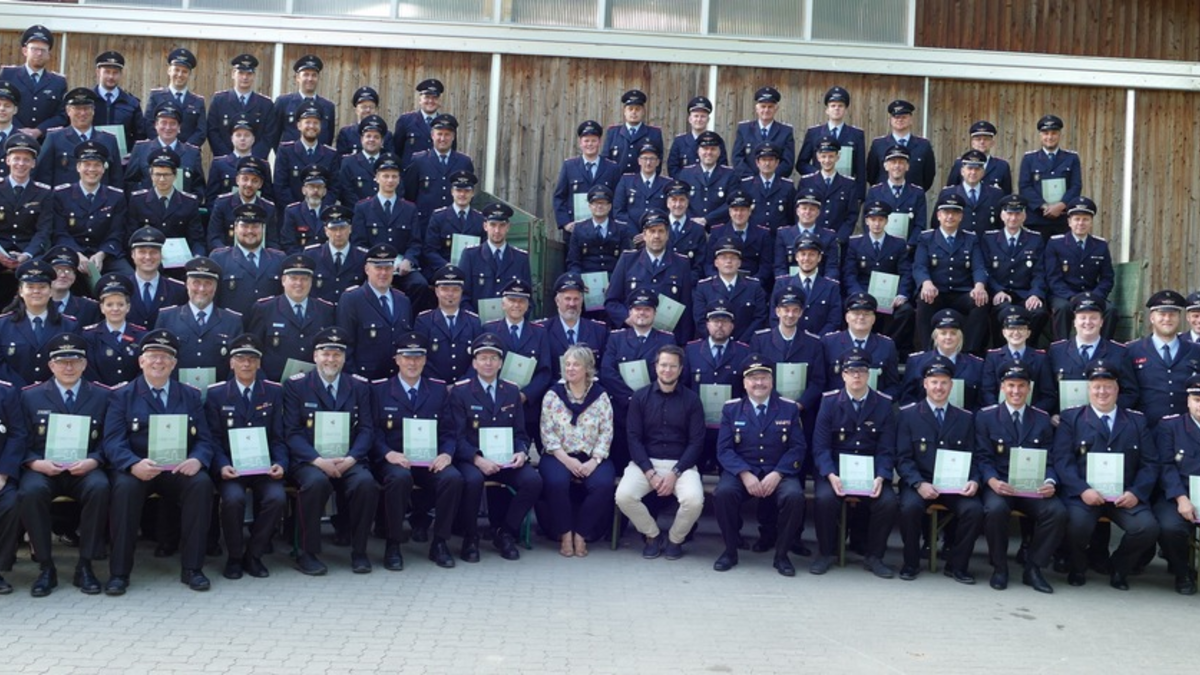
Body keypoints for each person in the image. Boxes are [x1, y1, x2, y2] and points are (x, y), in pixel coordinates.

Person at [103, 329, 217, 594]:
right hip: (138, 468)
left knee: (200, 484)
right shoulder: (122, 395)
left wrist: (197, 459)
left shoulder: (189, 395)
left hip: (177, 468)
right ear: (141, 361)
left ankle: (193, 568)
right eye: (153, 356)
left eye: (165, 357)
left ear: (174, 364)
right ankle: (119, 573)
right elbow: (112, 441)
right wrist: (133, 464)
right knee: (124, 490)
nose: (159, 362)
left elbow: (205, 438)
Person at [14, 333, 107, 597]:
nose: (68, 367)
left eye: (74, 361)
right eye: (62, 362)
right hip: (43, 468)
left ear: (84, 364)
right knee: (30, 492)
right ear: (51, 365)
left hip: (84, 468)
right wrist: (34, 462)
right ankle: (46, 567)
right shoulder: (30, 396)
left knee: (100, 488)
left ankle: (85, 565)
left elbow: (109, 439)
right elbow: (20, 438)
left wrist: (94, 460)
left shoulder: (102, 395)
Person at [1053, 360, 1159, 590]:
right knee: (1075, 525)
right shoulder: (1072, 418)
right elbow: (1062, 460)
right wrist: (1082, 490)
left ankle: (1119, 568)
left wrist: (1136, 492)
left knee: (1147, 528)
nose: (1102, 392)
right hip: (1084, 495)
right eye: (1097, 387)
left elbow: (1150, 463)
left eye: (1108, 386)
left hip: (1124, 495)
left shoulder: (1136, 420)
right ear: (1088, 389)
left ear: (1117, 389)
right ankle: (1078, 567)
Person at [284, 326, 379, 575]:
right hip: (310, 461)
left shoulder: (358, 386)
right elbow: (292, 432)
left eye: (337, 354)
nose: (331, 359)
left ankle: (360, 551)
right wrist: (317, 460)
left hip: (349, 458)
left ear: (344, 358)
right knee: (315, 484)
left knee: (365, 484)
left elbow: (367, 429)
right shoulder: (296, 386)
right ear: (315, 356)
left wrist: (352, 459)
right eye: (325, 354)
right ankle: (307, 553)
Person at [370, 331, 463, 570]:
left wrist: (446, 454)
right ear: (397, 360)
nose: (412, 363)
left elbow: (449, 430)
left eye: (418, 358)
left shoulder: (438, 390)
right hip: (394, 460)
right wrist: (387, 453)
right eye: (407, 357)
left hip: (429, 460)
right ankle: (393, 544)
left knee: (452, 478)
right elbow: (372, 430)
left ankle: (440, 542)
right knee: (399, 479)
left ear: (425, 360)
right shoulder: (379, 390)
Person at [450, 333, 544, 562]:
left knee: (533, 481)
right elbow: (456, 437)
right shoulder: (460, 392)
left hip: (505, 459)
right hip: (473, 459)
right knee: (472, 481)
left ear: (501, 363)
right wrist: (477, 459)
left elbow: (520, 433)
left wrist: (521, 452)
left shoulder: (511, 391)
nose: (488, 363)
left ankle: (505, 533)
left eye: (493, 358)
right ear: (474, 363)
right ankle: (470, 537)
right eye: (483, 358)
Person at [974, 360, 1064, 593]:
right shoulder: (986, 417)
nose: (1016, 391)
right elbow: (982, 457)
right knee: (995, 510)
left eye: (1021, 386)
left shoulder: (1041, 419)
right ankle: (1000, 568)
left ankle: (1033, 568)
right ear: (1002, 387)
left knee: (1057, 512)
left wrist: (1050, 481)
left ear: (1029, 388)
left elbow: (1051, 459)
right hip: (1000, 483)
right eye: (1011, 385)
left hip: (1033, 485)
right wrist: (992, 481)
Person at [712, 354, 806, 576]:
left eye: (764, 378)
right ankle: (730, 551)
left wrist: (778, 473)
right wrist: (745, 474)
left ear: (772, 381)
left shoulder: (788, 408)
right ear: (745, 383)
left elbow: (797, 448)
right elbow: (724, 449)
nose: (759, 383)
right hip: (743, 471)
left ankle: (782, 555)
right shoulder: (731, 409)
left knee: (794, 496)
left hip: (778, 471)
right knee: (723, 493)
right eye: (753, 378)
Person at [204, 333, 287, 581]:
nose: (246, 364)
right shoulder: (217, 394)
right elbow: (212, 438)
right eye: (241, 359)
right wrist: (221, 465)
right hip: (232, 468)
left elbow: (279, 437)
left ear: (259, 363)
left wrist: (280, 463)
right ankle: (235, 556)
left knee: (277, 498)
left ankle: (254, 554)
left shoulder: (273, 392)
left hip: (264, 468)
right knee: (233, 500)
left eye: (252, 359)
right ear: (231, 363)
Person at [810, 349, 898, 578]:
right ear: (843, 375)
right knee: (824, 499)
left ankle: (874, 557)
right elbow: (820, 447)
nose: (856, 376)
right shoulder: (829, 402)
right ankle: (825, 553)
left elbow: (886, 448)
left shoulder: (883, 404)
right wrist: (831, 475)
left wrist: (881, 476)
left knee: (888, 502)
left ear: (869, 374)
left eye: (861, 371)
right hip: (836, 470)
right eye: (851, 371)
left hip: (870, 472)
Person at [895, 356, 983, 583]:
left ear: (951, 385)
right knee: (909, 508)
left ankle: (958, 565)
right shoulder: (908, 415)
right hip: (920, 482)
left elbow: (975, 456)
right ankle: (911, 562)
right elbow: (903, 458)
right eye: (934, 382)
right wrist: (918, 483)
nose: (939, 387)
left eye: (944, 382)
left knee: (974, 510)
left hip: (955, 484)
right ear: (925, 384)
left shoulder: (965, 418)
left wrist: (974, 480)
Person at [615, 344, 705, 560]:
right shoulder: (640, 397)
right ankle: (652, 535)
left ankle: (675, 539)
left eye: (673, 366)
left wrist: (675, 473)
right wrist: (649, 472)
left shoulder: (692, 400)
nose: (667, 370)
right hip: (645, 463)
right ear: (655, 367)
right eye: (663, 365)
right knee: (624, 496)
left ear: (680, 369)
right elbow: (633, 438)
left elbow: (696, 442)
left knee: (694, 501)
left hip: (681, 465)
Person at [538, 344, 614, 557]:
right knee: (556, 482)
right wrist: (567, 460)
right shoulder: (553, 395)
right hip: (558, 455)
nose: (570, 369)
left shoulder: (600, 396)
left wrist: (594, 461)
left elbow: (606, 431)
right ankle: (565, 534)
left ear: (587, 368)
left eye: (576, 365)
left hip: (591, 456)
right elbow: (547, 431)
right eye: (567, 364)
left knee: (603, 484)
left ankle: (581, 533)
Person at [599, 288, 675, 468]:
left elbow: (670, 372)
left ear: (655, 313)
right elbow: (607, 372)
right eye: (637, 309)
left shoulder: (666, 340)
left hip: (654, 409)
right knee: (620, 463)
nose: (642, 313)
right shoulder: (616, 338)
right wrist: (630, 398)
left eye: (647, 309)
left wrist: (647, 398)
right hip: (622, 410)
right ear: (630, 313)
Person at [912, 192, 990, 355]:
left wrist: (979, 286)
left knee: (980, 302)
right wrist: (926, 283)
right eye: (946, 212)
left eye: (954, 213)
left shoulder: (970, 239)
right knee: (923, 299)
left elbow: (978, 267)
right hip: (936, 291)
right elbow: (919, 266)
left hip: (962, 292)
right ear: (938, 215)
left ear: (961, 216)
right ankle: (927, 351)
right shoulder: (927, 238)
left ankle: (969, 352)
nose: (950, 217)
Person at [605, 209, 694, 344]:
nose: (656, 236)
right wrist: (628, 318)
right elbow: (611, 301)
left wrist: (682, 345)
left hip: (666, 341)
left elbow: (686, 310)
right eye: (652, 231)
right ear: (644, 235)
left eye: (661, 231)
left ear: (667, 234)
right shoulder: (628, 260)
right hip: (632, 337)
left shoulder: (681, 264)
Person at [244, 253, 336, 382]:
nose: (299, 283)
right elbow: (254, 350)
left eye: (304, 279)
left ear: (311, 281)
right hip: (274, 384)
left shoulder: (325, 310)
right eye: (293, 278)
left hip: (312, 384)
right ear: (283, 280)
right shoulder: (265, 309)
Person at [839, 201, 915, 355]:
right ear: (867, 221)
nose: (877, 224)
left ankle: (886, 346)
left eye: (881, 219)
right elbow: (849, 274)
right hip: (863, 291)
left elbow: (906, 272)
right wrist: (859, 294)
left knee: (906, 310)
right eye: (873, 219)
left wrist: (902, 294)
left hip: (890, 295)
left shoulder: (898, 243)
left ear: (887, 221)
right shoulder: (855, 243)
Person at [353, 153, 428, 307]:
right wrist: (374, 264)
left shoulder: (409, 209)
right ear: (376, 178)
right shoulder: (363, 208)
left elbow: (415, 243)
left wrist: (408, 260)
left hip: (401, 268)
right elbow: (358, 243)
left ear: (399, 180)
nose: (390, 180)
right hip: (374, 267)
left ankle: (407, 319)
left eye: (394, 176)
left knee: (420, 284)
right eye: (385, 176)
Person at [482, 279, 552, 442]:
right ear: (503, 304)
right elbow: (483, 365)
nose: (516, 305)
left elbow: (545, 371)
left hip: (528, 406)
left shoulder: (540, 333)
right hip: (495, 403)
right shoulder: (489, 330)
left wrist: (525, 395)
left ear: (527, 305)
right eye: (512, 300)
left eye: (521, 301)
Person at [155, 257, 244, 385]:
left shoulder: (232, 321)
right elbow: (159, 358)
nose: (201, 289)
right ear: (187, 285)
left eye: (208, 283)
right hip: (177, 392)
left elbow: (238, 363)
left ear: (215, 287)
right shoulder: (167, 317)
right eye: (196, 283)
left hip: (218, 393)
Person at [1046, 292, 1138, 416]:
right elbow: (1048, 391)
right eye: (1082, 317)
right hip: (1065, 421)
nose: (1088, 322)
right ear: (1074, 322)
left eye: (1093, 318)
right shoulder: (1056, 351)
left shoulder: (1119, 352)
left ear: (1101, 322)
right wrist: (1053, 414)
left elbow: (1130, 393)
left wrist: (1108, 413)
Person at [1151, 373, 1200, 595]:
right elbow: (1165, 465)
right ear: (1188, 401)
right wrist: (1181, 499)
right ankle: (1182, 572)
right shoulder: (1170, 426)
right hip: (1177, 493)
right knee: (1170, 527)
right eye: (1197, 400)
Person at [51, 141, 129, 276]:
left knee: (129, 279)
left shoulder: (116, 197)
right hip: (70, 253)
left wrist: (102, 254)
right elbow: (60, 233)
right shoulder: (61, 195)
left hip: (105, 254)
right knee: (58, 279)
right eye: (87, 164)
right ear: (78, 167)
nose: (92, 169)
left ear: (103, 169)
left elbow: (116, 233)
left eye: (97, 165)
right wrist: (77, 254)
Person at [336, 243, 413, 380]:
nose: (383, 273)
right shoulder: (352, 299)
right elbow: (345, 346)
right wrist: (355, 381)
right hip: (366, 380)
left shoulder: (403, 301)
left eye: (388, 268)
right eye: (378, 268)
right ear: (367, 269)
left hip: (396, 380)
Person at [1123, 290, 1200, 426]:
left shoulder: (1195, 351)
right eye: (1162, 314)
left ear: (1179, 318)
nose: (1167, 319)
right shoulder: (1131, 351)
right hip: (1146, 429)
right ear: (1152, 318)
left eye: (1172, 314)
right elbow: (1127, 392)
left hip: (1185, 431)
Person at [0, 260, 79, 388]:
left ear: (51, 291)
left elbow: (72, 362)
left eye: (42, 287)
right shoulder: (3, 325)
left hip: (53, 394)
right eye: (30, 287)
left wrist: (41, 393)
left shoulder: (69, 325)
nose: (36, 291)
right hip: (12, 394)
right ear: (20, 291)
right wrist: (22, 390)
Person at [981, 193, 1049, 340]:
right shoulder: (989, 238)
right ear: (1002, 215)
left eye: (1017, 214)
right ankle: (1000, 349)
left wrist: (1035, 294)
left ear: (1024, 216)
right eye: (1009, 213)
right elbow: (985, 270)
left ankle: (1028, 347)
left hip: (1025, 293)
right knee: (1002, 310)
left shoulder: (1035, 239)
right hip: (1000, 293)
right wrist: (997, 290)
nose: (1013, 218)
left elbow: (1039, 272)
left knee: (1039, 312)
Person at [1047, 198, 1115, 342]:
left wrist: (1096, 296)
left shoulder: (1100, 245)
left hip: (1092, 293)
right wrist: (1072, 297)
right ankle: (1061, 347)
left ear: (1091, 222)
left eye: (1085, 219)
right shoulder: (1056, 244)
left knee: (1111, 310)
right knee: (1062, 308)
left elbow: (1107, 278)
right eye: (1077, 219)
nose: (1080, 223)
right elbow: (1053, 278)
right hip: (1064, 296)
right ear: (1069, 222)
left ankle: (1104, 347)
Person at [34, 87, 124, 188]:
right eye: (77, 108)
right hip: (62, 197)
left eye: (86, 108)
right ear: (68, 111)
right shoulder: (54, 138)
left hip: (101, 197)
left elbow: (116, 179)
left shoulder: (108, 141)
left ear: (93, 111)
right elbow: (43, 175)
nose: (82, 113)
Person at [819, 292, 903, 399]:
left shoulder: (886, 345)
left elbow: (894, 386)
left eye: (867, 314)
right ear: (847, 317)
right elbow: (820, 382)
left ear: (873, 319)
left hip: (874, 406)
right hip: (836, 406)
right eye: (856, 313)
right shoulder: (829, 342)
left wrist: (879, 402)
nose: (861, 317)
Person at [125, 147, 204, 257]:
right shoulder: (138, 201)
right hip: (147, 258)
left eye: (166, 175)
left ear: (175, 175)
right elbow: (131, 236)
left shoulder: (189, 203)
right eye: (158, 174)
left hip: (179, 259)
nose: (162, 179)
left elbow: (196, 239)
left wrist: (196, 257)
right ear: (151, 175)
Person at [209, 203, 286, 316]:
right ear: (235, 228)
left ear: (263, 229)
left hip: (269, 325)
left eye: (255, 226)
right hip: (233, 325)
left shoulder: (279, 259)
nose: (250, 231)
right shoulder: (219, 259)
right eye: (244, 226)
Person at [552, 119, 621, 245]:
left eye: (593, 140)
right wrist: (565, 223)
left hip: (605, 231)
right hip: (575, 230)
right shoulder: (569, 166)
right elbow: (559, 197)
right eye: (586, 141)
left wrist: (614, 223)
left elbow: (618, 199)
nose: (590, 144)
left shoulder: (612, 168)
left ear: (599, 142)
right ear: (580, 143)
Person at [900, 308, 985, 410]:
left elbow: (981, 402)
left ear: (960, 337)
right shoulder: (916, 362)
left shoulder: (976, 365)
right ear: (935, 337)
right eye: (943, 333)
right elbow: (907, 398)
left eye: (953, 333)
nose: (948, 337)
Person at [458, 203, 532, 314]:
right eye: (493, 225)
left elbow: (528, 298)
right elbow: (462, 295)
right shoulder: (470, 255)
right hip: (477, 322)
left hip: (509, 322)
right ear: (485, 226)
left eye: (502, 225)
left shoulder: (521, 259)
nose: (497, 230)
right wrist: (474, 321)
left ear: (508, 227)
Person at [414, 264, 483, 384]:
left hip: (466, 387)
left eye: (455, 289)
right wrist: (439, 385)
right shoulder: (424, 321)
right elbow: (420, 356)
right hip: (432, 386)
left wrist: (462, 385)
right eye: (445, 289)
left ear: (461, 291)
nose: (450, 294)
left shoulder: (473, 321)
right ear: (436, 291)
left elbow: (479, 356)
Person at [403, 114, 475, 227]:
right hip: (425, 223)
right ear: (432, 135)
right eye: (439, 134)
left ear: (453, 137)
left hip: (454, 225)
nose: (442, 139)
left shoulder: (464, 162)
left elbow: (469, 195)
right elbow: (409, 195)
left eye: (447, 134)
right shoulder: (418, 161)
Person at [694, 234, 768, 343]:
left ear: (739, 263)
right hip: (714, 344)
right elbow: (700, 320)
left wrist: (741, 343)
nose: (728, 261)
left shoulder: (754, 287)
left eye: (733, 258)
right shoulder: (704, 287)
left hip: (746, 345)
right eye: (724, 257)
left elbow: (759, 318)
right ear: (716, 263)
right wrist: (717, 340)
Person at [980, 306, 1056, 411]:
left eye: (1021, 328)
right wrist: (999, 412)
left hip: (1031, 415)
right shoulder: (993, 357)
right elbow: (987, 391)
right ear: (1004, 332)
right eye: (1011, 328)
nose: (1016, 333)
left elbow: (1048, 395)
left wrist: (1030, 413)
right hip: (1000, 415)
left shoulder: (1040, 358)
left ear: (1028, 333)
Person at [536, 272, 608, 382]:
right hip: (552, 390)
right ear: (557, 301)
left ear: (582, 300)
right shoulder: (542, 330)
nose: (572, 304)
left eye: (576, 299)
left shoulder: (598, 331)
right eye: (567, 299)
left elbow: (603, 370)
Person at [1019, 115, 1082, 238]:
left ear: (1059, 135)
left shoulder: (1071, 158)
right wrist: (1044, 206)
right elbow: (1024, 187)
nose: (1050, 137)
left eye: (1054, 133)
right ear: (1040, 135)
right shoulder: (1029, 159)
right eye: (1046, 133)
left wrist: (1061, 205)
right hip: (1037, 219)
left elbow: (1076, 186)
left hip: (1063, 218)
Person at [797, 86, 866, 198]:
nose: (836, 109)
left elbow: (861, 169)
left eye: (840, 106)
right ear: (827, 110)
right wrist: (819, 173)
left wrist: (859, 197)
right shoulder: (814, 133)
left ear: (845, 110)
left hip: (845, 191)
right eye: (833, 106)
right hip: (819, 189)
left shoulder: (856, 135)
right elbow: (801, 164)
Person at [124, 105, 205, 200]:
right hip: (146, 206)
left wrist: (189, 204)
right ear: (156, 125)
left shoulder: (192, 153)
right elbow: (130, 183)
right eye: (163, 123)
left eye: (173, 123)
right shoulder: (141, 149)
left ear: (179, 127)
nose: (168, 127)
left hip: (182, 207)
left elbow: (198, 187)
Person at [1, 25, 68, 138]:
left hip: (44, 141)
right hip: (10, 139)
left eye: (43, 50)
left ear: (49, 54)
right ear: (25, 51)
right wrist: (18, 130)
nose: (39, 53)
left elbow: (62, 115)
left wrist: (39, 130)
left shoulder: (58, 82)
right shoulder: (7, 75)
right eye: (34, 49)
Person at [771, 234, 843, 337]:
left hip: (820, 342)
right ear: (796, 257)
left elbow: (834, 321)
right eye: (803, 254)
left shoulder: (831, 287)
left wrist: (816, 340)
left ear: (819, 257)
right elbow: (774, 317)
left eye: (812, 254)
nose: (806, 258)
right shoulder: (782, 284)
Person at [81, 273, 146, 387]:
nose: (115, 309)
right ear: (102, 308)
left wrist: (129, 390)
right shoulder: (89, 336)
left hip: (133, 393)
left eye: (120, 304)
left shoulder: (141, 335)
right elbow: (88, 370)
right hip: (99, 394)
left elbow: (144, 369)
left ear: (128, 307)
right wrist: (104, 391)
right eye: (109, 305)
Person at [0, 133, 54, 268]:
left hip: (28, 250)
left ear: (33, 163)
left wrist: (27, 254)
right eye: (16, 159)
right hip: (0, 249)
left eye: (26, 160)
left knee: (36, 271)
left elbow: (43, 231)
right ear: (8, 160)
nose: (21, 164)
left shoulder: (44, 193)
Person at [206, 54, 274, 159]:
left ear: (254, 76)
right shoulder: (219, 101)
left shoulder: (265, 104)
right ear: (233, 74)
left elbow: (268, 136)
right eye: (241, 73)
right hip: (225, 162)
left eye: (249, 74)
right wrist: (229, 159)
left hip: (255, 163)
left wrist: (252, 159)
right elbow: (213, 132)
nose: (245, 77)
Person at [796, 137, 861, 245]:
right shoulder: (806, 182)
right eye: (823, 156)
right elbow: (799, 211)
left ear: (837, 157)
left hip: (837, 241)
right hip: (811, 242)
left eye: (831, 156)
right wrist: (807, 236)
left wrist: (839, 238)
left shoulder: (848, 184)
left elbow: (851, 215)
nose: (827, 160)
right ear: (818, 157)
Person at [272, 106, 340, 208]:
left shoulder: (330, 155)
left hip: (321, 213)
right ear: (299, 125)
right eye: (307, 122)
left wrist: (319, 210)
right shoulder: (285, 151)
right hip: (291, 213)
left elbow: (334, 189)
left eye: (315, 123)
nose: (312, 126)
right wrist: (298, 211)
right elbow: (280, 187)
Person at [702, 192, 773, 289]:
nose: (739, 214)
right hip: (721, 286)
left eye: (743, 210)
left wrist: (753, 284)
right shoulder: (717, 233)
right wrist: (720, 282)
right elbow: (709, 264)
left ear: (749, 211)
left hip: (753, 286)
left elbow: (766, 266)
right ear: (730, 212)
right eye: (735, 210)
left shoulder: (762, 234)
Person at [206, 156, 278, 251]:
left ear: (260, 184)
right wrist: (226, 255)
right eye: (245, 179)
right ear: (237, 180)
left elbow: (273, 243)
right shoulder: (222, 204)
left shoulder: (268, 208)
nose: (249, 184)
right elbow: (214, 238)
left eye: (255, 181)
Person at [862, 144, 927, 247]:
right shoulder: (875, 192)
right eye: (893, 162)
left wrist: (909, 245)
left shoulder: (917, 193)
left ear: (907, 166)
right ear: (886, 166)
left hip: (908, 250)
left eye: (901, 162)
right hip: (881, 249)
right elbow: (867, 222)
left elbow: (920, 224)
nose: (897, 166)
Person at [866, 99, 936, 191]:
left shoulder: (923, 145)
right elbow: (871, 175)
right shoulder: (878, 145)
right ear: (890, 120)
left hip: (913, 197)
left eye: (904, 117)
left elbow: (928, 176)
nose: (900, 120)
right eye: (896, 117)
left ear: (911, 120)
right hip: (884, 196)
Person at [125, 226, 187, 329]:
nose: (148, 257)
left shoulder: (178, 290)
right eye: (142, 252)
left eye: (153, 252)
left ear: (161, 255)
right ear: (133, 255)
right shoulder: (122, 288)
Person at [143, 48, 206, 148]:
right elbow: (148, 124)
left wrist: (184, 149)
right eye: (176, 70)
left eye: (184, 71)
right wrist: (163, 147)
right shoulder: (156, 96)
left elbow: (201, 131)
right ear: (169, 71)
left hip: (188, 153)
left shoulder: (198, 101)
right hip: (159, 151)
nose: (180, 75)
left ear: (189, 74)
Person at [269, 55, 336, 148]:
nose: (310, 79)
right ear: (297, 77)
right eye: (306, 74)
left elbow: (329, 138)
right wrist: (284, 154)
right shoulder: (283, 102)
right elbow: (274, 135)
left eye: (314, 75)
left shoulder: (328, 106)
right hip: (290, 156)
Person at [305, 204, 368, 303]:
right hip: (321, 311)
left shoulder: (362, 257)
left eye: (342, 228)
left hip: (351, 311)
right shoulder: (312, 255)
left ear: (350, 229)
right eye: (333, 229)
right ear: (326, 231)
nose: (338, 234)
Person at [423, 170, 484, 271]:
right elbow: (429, 250)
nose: (462, 194)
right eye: (459, 190)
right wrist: (446, 266)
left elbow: (484, 251)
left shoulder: (480, 220)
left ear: (472, 193)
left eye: (467, 191)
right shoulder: (439, 217)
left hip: (472, 271)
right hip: (444, 270)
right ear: (452, 192)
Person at [206, 116, 275, 206]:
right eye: (238, 135)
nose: (242, 139)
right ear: (232, 138)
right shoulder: (219, 164)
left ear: (253, 139)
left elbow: (267, 198)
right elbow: (211, 199)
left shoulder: (263, 165)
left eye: (247, 135)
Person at [674, 130, 736, 228]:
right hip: (691, 227)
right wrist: (694, 220)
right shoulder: (686, 173)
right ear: (698, 151)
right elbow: (681, 200)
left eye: (713, 149)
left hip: (719, 228)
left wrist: (706, 219)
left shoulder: (730, 174)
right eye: (705, 149)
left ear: (719, 152)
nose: (709, 152)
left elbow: (731, 203)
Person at [773, 189, 840, 280]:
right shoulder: (783, 234)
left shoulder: (829, 236)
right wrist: (787, 285)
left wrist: (824, 285)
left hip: (819, 285)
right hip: (790, 284)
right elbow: (780, 267)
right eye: (804, 208)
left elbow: (831, 268)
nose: (807, 212)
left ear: (818, 213)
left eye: (812, 209)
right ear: (797, 211)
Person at [731, 86, 795, 179]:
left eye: (770, 107)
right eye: (763, 106)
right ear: (757, 108)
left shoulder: (785, 131)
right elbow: (737, 158)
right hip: (747, 182)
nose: (766, 110)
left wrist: (770, 178)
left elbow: (787, 162)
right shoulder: (744, 129)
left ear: (776, 108)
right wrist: (753, 180)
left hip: (775, 184)